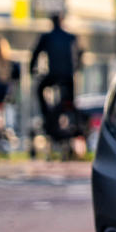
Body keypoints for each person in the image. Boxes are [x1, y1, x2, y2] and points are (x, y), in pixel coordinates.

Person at [29, 14, 82, 143]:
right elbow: (80, 52)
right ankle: (76, 123)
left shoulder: (47, 37)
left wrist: (32, 69)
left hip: (53, 74)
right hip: (68, 76)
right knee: (70, 100)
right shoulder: (70, 36)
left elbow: (36, 52)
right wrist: (77, 67)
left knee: (40, 89)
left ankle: (46, 114)